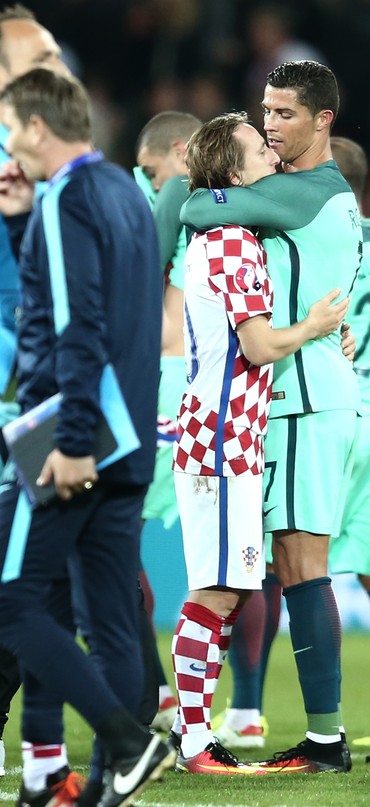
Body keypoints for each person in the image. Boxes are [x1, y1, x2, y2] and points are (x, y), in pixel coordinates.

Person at [0, 68, 175, 805]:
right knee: (109, 619)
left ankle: (129, 741)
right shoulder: (126, 196)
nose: (9, 143)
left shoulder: (68, 196)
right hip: (131, 432)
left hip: (73, 432)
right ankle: (104, 778)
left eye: (10, 126)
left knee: (13, 602)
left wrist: (71, 441)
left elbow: (78, 325)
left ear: (38, 126)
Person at [181, 60, 362, 774]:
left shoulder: (300, 190)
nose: (270, 126)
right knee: (258, 571)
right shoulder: (324, 192)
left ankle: (321, 738)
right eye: (265, 112)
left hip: (299, 396)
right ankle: (216, 722)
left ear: (324, 121)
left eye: (285, 115)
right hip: (298, 391)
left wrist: (193, 189)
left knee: (298, 566)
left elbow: (198, 206)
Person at [214, 135, 370, 753]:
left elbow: (283, 321)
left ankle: (252, 708)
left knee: (283, 566)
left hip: (301, 400)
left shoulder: (290, 229)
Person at [0, 2, 76, 791]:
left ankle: (49, 755)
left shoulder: (53, 163)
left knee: (43, 585)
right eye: (41, 52)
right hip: (25, 399)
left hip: (36, 405)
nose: (57, 64)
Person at [135, 110, 201, 731]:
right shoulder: (238, 209)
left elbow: (156, 311)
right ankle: (236, 709)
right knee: (230, 561)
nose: (149, 183)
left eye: (152, 172)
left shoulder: (181, 198)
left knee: (103, 542)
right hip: (214, 388)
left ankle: (155, 695)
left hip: (162, 385)